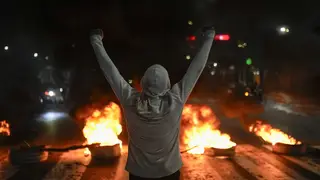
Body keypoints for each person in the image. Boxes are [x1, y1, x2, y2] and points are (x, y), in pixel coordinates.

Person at [90, 27, 215, 179]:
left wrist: (96, 40)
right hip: (169, 173)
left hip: (138, 174)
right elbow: (196, 68)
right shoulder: (175, 99)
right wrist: (209, 37)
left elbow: (110, 70)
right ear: (167, 83)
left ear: (143, 82)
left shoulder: (130, 100)